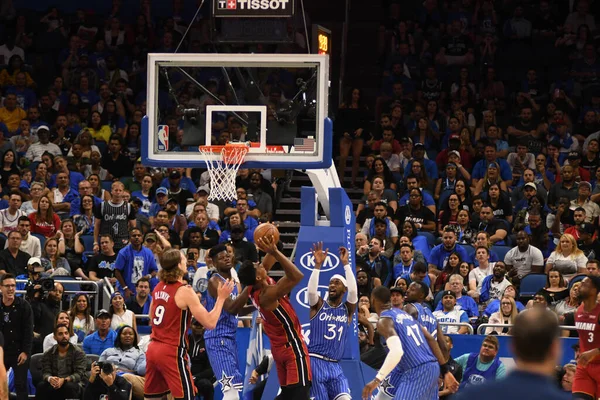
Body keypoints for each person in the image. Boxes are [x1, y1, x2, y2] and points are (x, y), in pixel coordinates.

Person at [144, 248, 234, 400]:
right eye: (183, 259)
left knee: (152, 398)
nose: (186, 261)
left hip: (152, 348)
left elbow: (151, 316)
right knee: (187, 397)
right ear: (179, 265)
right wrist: (221, 298)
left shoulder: (158, 287)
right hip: (171, 351)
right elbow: (211, 323)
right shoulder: (184, 290)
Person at [237, 236, 312, 399]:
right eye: (257, 266)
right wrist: (276, 252)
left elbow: (272, 252)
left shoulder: (253, 289)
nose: (260, 264)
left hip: (278, 350)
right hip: (292, 348)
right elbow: (297, 276)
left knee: (288, 395)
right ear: (258, 277)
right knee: (300, 394)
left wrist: (272, 243)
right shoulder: (267, 294)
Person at [362, 286, 458, 400]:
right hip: (430, 366)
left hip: (417, 370)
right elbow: (431, 339)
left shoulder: (383, 320)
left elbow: (397, 351)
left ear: (373, 300)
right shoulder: (406, 315)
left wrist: (377, 380)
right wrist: (445, 370)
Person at [454, 308, 569, 400]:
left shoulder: (471, 395)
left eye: (490, 346)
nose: (486, 348)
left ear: (512, 347)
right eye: (485, 345)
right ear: (556, 349)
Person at [307, 244, 357, 400]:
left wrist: (346, 265)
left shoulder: (347, 310)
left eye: (337, 283)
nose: (332, 285)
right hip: (316, 362)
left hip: (335, 365)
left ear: (344, 289)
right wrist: (317, 266)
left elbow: (354, 292)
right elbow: (311, 292)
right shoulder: (318, 305)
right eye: (330, 283)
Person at [204, 244, 253, 400]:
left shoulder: (232, 283)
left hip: (229, 338)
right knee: (230, 390)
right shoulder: (215, 281)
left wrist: (257, 306)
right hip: (218, 338)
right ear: (213, 263)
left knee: (233, 389)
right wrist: (250, 285)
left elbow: (238, 309)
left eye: (227, 255)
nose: (225, 258)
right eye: (221, 257)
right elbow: (232, 308)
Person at [0, 273, 33, 400]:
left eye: (13, 285)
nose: (11, 289)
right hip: (2, 351)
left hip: (19, 352)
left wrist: (25, 352)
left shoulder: (24, 306)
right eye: (7, 286)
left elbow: (28, 331)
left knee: (21, 385)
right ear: (1, 287)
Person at [36, 323, 86, 400]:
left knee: (69, 387)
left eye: (66, 333)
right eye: (60, 334)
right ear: (55, 337)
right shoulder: (48, 353)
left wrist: (64, 380)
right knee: (41, 386)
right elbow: (45, 372)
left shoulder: (78, 352)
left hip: (71, 382)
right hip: (55, 382)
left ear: (69, 335)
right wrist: (50, 379)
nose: (64, 336)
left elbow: (79, 374)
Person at [98, 325, 145, 399]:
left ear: (134, 337)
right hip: (107, 375)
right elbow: (100, 366)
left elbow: (138, 372)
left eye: (130, 334)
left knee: (125, 377)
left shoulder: (139, 353)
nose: (127, 336)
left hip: (127, 378)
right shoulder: (108, 351)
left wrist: (120, 371)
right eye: (124, 334)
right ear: (119, 336)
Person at [572, 276, 600, 399]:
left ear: (594, 290)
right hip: (585, 367)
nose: (578, 287)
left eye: (583, 285)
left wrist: (595, 351)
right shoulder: (578, 311)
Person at [114, 228, 158, 299]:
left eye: (139, 235)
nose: (137, 237)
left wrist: (148, 276)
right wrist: (125, 288)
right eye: (134, 236)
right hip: (127, 290)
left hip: (143, 291)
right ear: (129, 238)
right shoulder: (123, 252)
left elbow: (154, 270)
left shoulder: (148, 252)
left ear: (142, 237)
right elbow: (117, 271)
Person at [93, 181, 136, 252]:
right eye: (116, 190)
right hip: (106, 242)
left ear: (123, 192)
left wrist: (130, 241)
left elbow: (133, 227)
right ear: (111, 191)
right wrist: (95, 242)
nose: (118, 192)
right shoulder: (102, 206)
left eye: (120, 190)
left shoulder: (128, 207)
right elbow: (97, 225)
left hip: (123, 242)